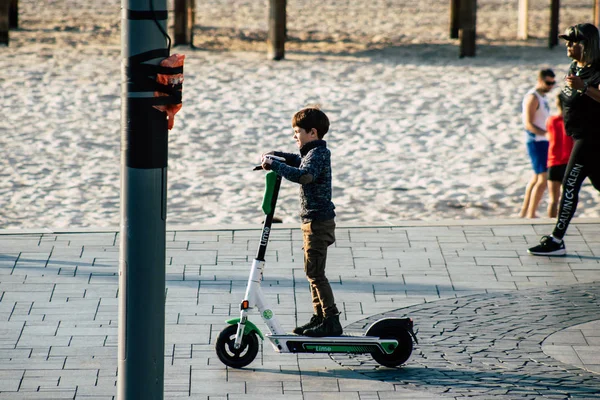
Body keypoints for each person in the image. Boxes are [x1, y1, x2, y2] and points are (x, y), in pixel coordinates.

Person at [261, 107, 342, 337]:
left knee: (316, 274)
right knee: (311, 272)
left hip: (318, 222)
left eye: (297, 131)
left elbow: (304, 175)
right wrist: (276, 155)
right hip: (312, 222)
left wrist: (276, 165)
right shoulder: (311, 153)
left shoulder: (318, 155)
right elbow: (298, 161)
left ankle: (331, 319)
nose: (294, 136)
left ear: (313, 132)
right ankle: (319, 317)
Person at [529, 23, 600, 256]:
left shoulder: (598, 69)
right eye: (567, 41)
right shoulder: (575, 66)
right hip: (578, 136)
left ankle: (557, 239)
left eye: (573, 42)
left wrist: (585, 87)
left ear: (586, 45)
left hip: (592, 138)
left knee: (569, 185)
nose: (568, 45)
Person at [519, 69, 556, 218]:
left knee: (536, 178)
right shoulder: (533, 97)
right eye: (548, 83)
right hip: (536, 141)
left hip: (543, 141)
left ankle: (525, 212)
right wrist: (546, 134)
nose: (550, 86)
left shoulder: (542, 97)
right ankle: (531, 213)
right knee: (543, 178)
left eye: (553, 83)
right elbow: (528, 123)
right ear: (540, 80)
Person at [545, 95, 574, 218]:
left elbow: (549, 136)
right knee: (566, 199)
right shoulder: (571, 120)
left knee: (553, 200)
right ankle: (561, 224)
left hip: (553, 163)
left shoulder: (551, 121)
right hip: (568, 163)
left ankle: (550, 223)